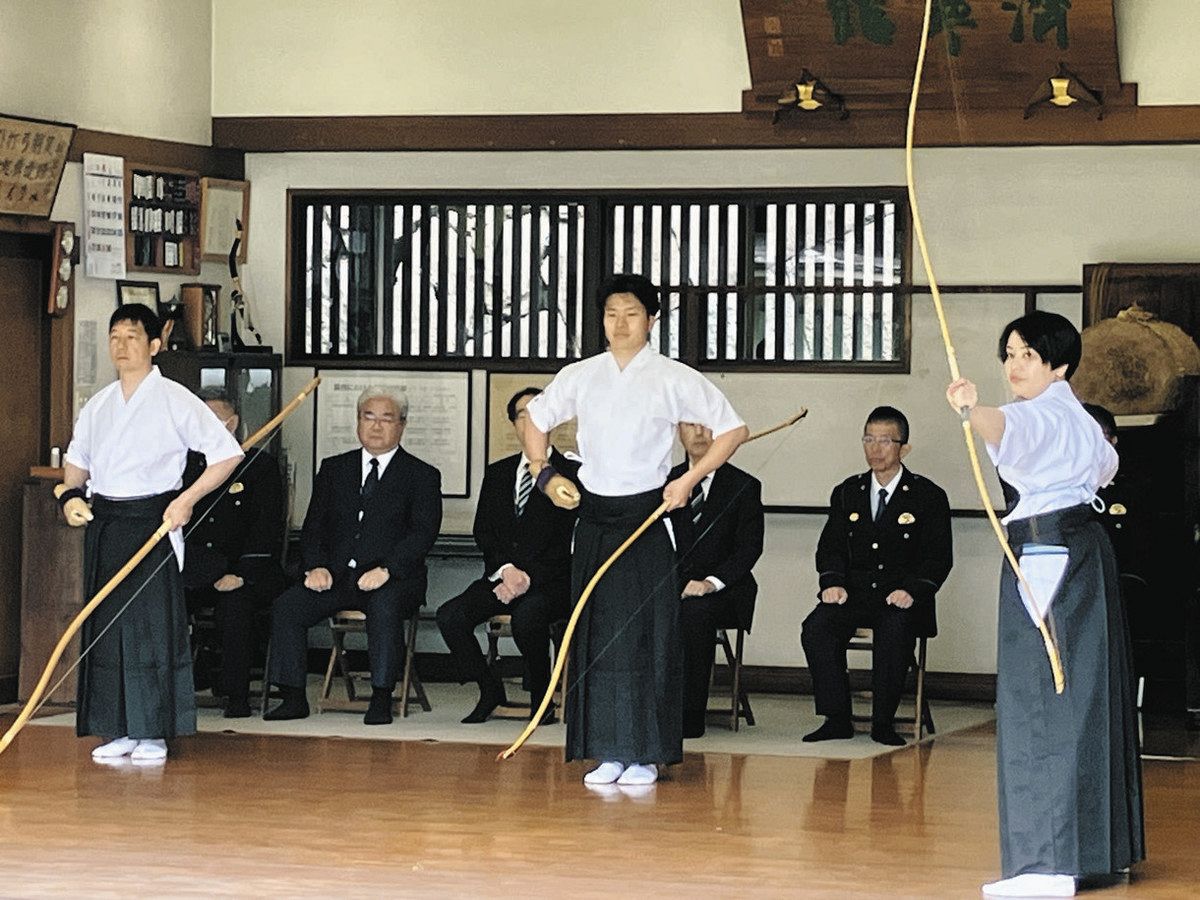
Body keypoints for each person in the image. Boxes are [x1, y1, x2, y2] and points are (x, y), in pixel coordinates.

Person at [523, 273, 749, 788]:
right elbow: (535, 420)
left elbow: (734, 430)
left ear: (651, 320)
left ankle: (645, 755)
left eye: (631, 314)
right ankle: (606, 751)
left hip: (647, 517)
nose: (620, 324)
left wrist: (689, 479)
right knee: (597, 634)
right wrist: (543, 472)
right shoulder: (581, 374)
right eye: (611, 314)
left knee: (647, 637)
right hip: (595, 517)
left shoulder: (672, 376)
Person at [947, 310, 1144, 898]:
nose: (1015, 365)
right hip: (1079, 552)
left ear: (1059, 365)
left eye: (1028, 355)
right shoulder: (1079, 418)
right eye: (1009, 354)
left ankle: (1046, 865)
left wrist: (971, 409)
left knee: (1041, 700)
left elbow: (1007, 427)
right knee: (1081, 698)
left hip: (1046, 557)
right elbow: (1106, 467)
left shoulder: (1044, 413)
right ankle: (1098, 852)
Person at [60, 304, 243, 764]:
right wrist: (71, 497)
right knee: (107, 627)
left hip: (152, 521)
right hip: (106, 523)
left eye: (132, 337)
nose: (121, 346)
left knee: (149, 628)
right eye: (115, 337)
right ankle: (118, 728)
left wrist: (186, 500)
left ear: (155, 345)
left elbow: (226, 455)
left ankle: (154, 731)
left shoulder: (175, 399)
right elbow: (76, 463)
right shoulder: (98, 405)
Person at [264, 386, 441, 726]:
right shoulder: (334, 469)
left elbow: (423, 533)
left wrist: (388, 569)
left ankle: (381, 696)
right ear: (357, 421)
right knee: (288, 606)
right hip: (337, 576)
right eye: (368, 417)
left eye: (386, 419)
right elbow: (314, 526)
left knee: (384, 607)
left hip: (393, 578)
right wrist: (315, 566)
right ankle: (292, 696)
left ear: (402, 425)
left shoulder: (421, 475)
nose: (376, 426)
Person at [801, 406, 952, 746]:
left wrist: (912, 590)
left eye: (885, 441)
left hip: (901, 597)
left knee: (895, 630)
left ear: (904, 448)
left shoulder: (928, 496)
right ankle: (836, 717)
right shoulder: (847, 491)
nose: (875, 449)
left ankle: (883, 722)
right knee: (816, 628)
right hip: (854, 594)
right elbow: (831, 547)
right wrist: (832, 582)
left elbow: (938, 557)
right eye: (869, 439)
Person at [436, 387, 579, 724]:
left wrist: (529, 578)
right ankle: (489, 689)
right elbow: (484, 531)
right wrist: (506, 570)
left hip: (551, 583)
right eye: (522, 416)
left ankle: (542, 698)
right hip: (504, 576)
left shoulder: (572, 474)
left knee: (529, 618)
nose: (531, 422)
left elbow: (571, 541)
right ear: (514, 424)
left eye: (539, 414)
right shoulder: (498, 473)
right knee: (451, 616)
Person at [182, 388, 286, 718]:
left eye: (214, 419)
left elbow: (266, 529)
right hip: (196, 570)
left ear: (233, 423)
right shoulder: (183, 467)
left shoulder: (259, 467)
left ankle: (236, 695)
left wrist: (239, 573)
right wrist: (205, 570)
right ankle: (172, 691)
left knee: (235, 606)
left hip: (244, 571)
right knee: (162, 603)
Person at [668, 422, 764, 739]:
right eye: (690, 425)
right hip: (673, 587)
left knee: (695, 613)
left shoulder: (744, 486)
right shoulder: (665, 482)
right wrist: (677, 584)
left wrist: (709, 583)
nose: (698, 433)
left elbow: (749, 549)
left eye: (706, 426)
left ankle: (688, 717)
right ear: (678, 431)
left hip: (724, 591)